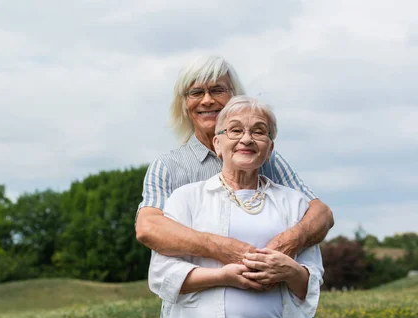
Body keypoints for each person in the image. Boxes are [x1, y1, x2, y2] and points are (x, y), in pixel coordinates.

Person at [148, 95, 330, 318]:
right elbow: (163, 276)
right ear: (217, 144)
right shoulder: (187, 199)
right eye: (234, 130)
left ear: (270, 148)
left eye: (259, 131)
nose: (247, 138)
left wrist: (289, 270)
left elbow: (310, 283)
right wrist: (226, 276)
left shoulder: (293, 204)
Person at [136, 55, 333, 267]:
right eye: (196, 92)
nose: (207, 100)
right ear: (184, 104)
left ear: (234, 97)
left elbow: (321, 214)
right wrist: (222, 249)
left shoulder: (266, 158)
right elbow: (148, 227)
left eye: (218, 90)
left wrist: (287, 243)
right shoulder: (168, 166)